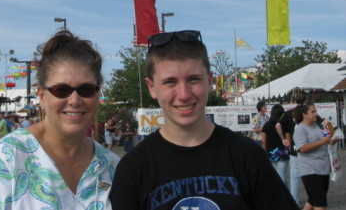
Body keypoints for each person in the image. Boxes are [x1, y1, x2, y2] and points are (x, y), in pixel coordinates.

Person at [110, 30, 299, 210]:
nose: (183, 95)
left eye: (193, 80)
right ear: (151, 87)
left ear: (209, 81)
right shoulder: (133, 169)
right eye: (170, 82)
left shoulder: (247, 156)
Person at [0, 30, 119, 209]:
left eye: (86, 89)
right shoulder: (5, 163)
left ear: (97, 94)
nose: (75, 101)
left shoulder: (112, 167)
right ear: (41, 96)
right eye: (61, 90)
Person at [293, 102, 338, 210]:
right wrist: (321, 142)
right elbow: (302, 148)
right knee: (320, 203)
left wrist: (331, 141)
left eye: (316, 111)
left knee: (313, 200)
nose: (315, 114)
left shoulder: (317, 126)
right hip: (310, 170)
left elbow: (323, 141)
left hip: (323, 168)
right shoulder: (300, 129)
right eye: (312, 112)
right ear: (304, 114)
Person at [261, 104, 290, 186]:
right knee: (282, 176)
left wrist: (264, 154)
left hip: (270, 154)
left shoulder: (266, 125)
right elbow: (288, 141)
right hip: (283, 153)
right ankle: (285, 196)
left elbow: (263, 142)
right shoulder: (284, 125)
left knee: (273, 177)